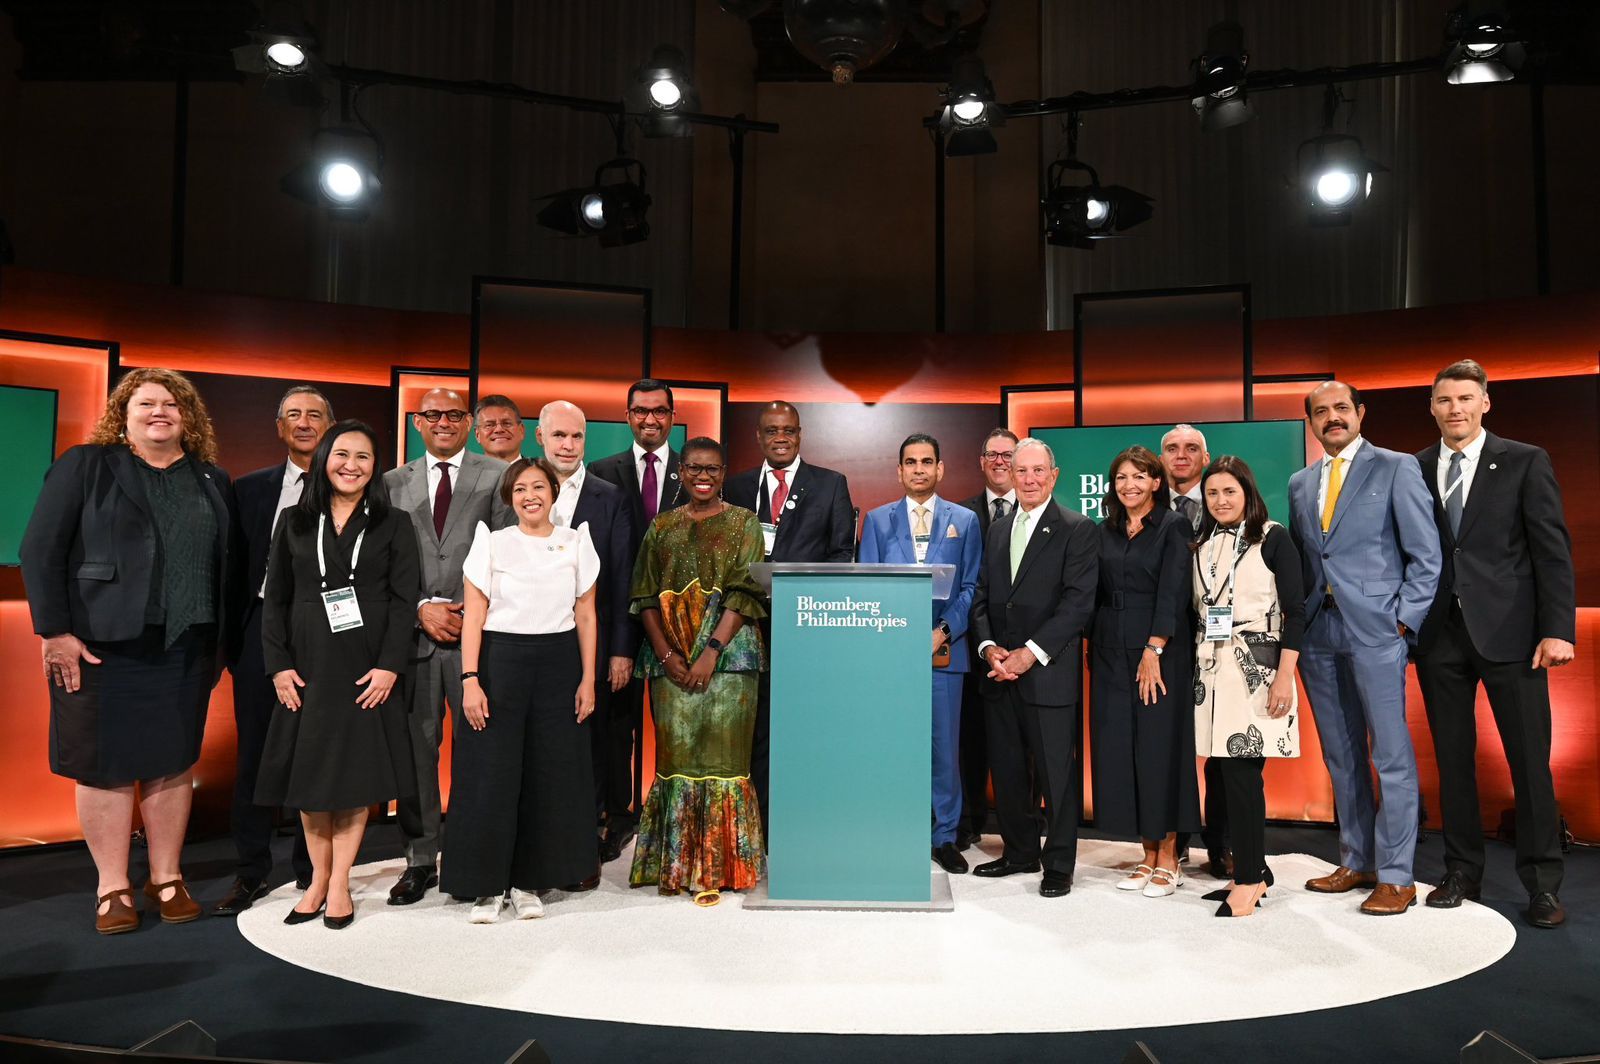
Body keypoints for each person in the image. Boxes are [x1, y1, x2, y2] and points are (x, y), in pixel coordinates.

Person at [20, 367, 234, 934]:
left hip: (186, 644)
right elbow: (40, 549)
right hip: (99, 645)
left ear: (187, 416)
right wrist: (55, 632)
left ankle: (167, 878)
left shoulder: (211, 478)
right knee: (103, 766)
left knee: (171, 763)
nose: (159, 411)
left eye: (171, 403)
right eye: (146, 403)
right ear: (125, 413)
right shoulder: (86, 465)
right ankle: (112, 886)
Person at [1413, 360, 1576, 929]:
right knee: (1452, 763)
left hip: (1514, 635)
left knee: (1531, 763)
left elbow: (1551, 549)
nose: (1453, 408)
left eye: (1464, 398)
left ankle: (1543, 884)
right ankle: (1461, 871)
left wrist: (1558, 628)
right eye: (1443, 400)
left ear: (1486, 402)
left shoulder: (1526, 460)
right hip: (1439, 637)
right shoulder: (1417, 467)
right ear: (1431, 407)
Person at [256, 420, 419, 929]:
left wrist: (390, 665)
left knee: (353, 779)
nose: (352, 465)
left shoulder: (394, 523)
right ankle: (317, 882)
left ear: (376, 468)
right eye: (342, 454)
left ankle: (341, 883)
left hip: (367, 667)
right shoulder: (294, 521)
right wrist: (279, 665)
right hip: (307, 664)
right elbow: (275, 598)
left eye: (364, 457)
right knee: (311, 779)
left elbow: (402, 601)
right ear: (324, 458)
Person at [1288, 380, 1440, 916]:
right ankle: (1358, 858)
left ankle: (1397, 875)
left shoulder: (1397, 467)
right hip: (1319, 635)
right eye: (1321, 412)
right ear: (1311, 422)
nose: (1332, 418)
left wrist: (1403, 622)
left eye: (1341, 409)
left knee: (1390, 754)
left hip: (1377, 631)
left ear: (1360, 413)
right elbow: (1310, 560)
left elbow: (1427, 555)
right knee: (1341, 753)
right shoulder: (1300, 482)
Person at [445, 457, 602, 922]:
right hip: (499, 663)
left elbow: (587, 616)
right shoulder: (491, 544)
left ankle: (529, 881)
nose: (529, 495)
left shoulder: (576, 541)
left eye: (538, 487)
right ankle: (485, 887)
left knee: (546, 776)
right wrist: (470, 680)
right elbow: (472, 616)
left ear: (554, 493)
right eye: (519, 490)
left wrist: (587, 678)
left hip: (558, 665)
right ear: (509, 498)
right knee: (489, 774)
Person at [382, 388, 512, 906]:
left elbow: (509, 552)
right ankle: (419, 858)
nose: (443, 422)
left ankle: (474, 852)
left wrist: (466, 613)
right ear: (417, 422)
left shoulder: (498, 475)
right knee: (416, 752)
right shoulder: (391, 481)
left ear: (469, 422)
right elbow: (381, 562)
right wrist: (419, 607)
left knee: (481, 751)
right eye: (432, 414)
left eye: (454, 414)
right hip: (412, 636)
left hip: (476, 638)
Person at [628, 437, 768, 905]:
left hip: (731, 661)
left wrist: (710, 653)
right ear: (681, 473)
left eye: (712, 468)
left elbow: (744, 591)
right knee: (676, 762)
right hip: (668, 662)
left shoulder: (746, 522)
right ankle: (676, 866)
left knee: (728, 765)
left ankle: (724, 867)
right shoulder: (661, 526)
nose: (702, 476)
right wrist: (669, 656)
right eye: (693, 468)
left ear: (724, 472)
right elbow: (644, 596)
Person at [213, 385, 329, 916]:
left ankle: (314, 871)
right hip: (263, 629)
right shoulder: (250, 489)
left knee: (318, 754)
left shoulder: (356, 484)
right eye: (294, 416)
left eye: (315, 415)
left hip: (331, 631)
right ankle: (252, 871)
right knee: (257, 754)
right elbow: (232, 572)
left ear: (332, 425)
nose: (304, 423)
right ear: (279, 427)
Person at [970, 438, 1097, 898]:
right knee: (1006, 771)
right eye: (1021, 471)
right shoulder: (999, 529)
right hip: (999, 672)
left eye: (1037, 471)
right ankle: (1020, 851)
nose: (1028, 479)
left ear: (1054, 475)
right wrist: (988, 648)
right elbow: (982, 594)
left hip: (1046, 671)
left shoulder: (1077, 528)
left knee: (1055, 776)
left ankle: (1059, 864)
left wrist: (1028, 652)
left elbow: (1077, 604)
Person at [723, 400, 856, 834]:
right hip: (746, 626)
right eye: (772, 430)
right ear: (759, 437)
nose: (781, 437)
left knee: (805, 725)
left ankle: (806, 821)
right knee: (754, 725)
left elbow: (841, 555)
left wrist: (811, 604)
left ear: (800, 435)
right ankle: (757, 824)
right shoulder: (738, 487)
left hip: (808, 629)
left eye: (789, 430)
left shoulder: (830, 484)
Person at [858, 433, 982, 875]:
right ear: (899, 470)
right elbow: (868, 590)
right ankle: (896, 829)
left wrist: (942, 630)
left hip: (943, 652)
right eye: (910, 462)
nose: (919, 469)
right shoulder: (876, 520)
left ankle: (944, 836)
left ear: (940, 468)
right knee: (893, 744)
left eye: (927, 461)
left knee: (944, 750)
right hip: (890, 655)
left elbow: (971, 587)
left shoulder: (964, 520)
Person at [1190, 456, 1304, 918]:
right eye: (1212, 493)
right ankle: (1246, 868)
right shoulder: (1202, 542)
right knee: (1218, 773)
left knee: (1242, 776)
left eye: (1229, 492)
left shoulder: (1273, 537)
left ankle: (1251, 878)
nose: (1220, 500)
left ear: (1248, 493)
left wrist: (1285, 676)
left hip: (1257, 666)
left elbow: (1298, 611)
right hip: (1211, 667)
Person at [1090, 445, 1200, 898]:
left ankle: (1170, 856)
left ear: (1157, 482)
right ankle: (1146, 853)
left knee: (1160, 752)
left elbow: (1173, 592)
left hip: (1159, 653)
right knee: (1124, 753)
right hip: (1111, 653)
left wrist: (1155, 647)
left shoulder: (1173, 526)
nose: (1129, 485)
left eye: (1138, 477)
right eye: (1121, 478)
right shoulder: (1107, 529)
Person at [535, 401, 638, 865]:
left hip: (592, 641)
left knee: (596, 738)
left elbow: (621, 578)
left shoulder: (609, 495)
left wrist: (621, 650)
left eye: (576, 437)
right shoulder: (522, 490)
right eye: (559, 436)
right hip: (531, 639)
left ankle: (596, 827)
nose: (568, 445)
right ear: (540, 437)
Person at [589, 379, 685, 862]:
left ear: (672, 416)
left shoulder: (694, 473)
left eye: (660, 411)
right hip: (619, 619)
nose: (651, 420)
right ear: (627, 416)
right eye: (641, 411)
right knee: (615, 725)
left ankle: (674, 816)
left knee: (677, 722)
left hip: (679, 622)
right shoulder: (601, 472)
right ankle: (618, 816)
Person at [1160, 423, 1229, 878]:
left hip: (1222, 645)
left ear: (1205, 458)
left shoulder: (1228, 506)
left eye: (1190, 449)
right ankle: (1172, 841)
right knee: (1170, 747)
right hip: (1165, 646)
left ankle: (1222, 843)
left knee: (1223, 750)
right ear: (1160, 460)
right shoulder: (1145, 511)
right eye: (1171, 448)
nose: (1180, 455)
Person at [955, 427, 1019, 851]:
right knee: (968, 744)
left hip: (1022, 655)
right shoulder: (958, 515)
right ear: (981, 462)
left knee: (1023, 751)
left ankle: (1024, 831)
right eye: (992, 455)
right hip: (968, 649)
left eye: (1007, 455)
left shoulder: (1042, 514)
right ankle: (968, 823)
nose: (1000, 462)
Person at [473, 394, 526, 463]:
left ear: (521, 431)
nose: (499, 429)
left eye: (507, 423)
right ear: (478, 435)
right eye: (489, 425)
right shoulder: (463, 473)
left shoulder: (540, 472)